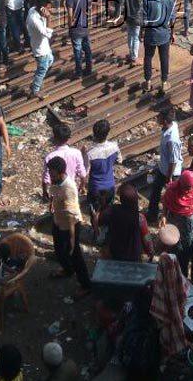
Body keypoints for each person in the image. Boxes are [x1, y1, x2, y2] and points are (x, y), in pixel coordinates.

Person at [47, 155, 91, 293]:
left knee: (75, 254)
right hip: (59, 221)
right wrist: (52, 204)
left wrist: (72, 240)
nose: (50, 176)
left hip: (70, 226)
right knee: (59, 250)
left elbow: (72, 217)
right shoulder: (56, 182)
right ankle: (67, 270)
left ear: (61, 173)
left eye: (52, 173)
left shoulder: (69, 188)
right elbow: (54, 194)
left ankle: (86, 285)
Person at [160, 169, 193, 275]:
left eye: (192, 187)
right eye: (187, 187)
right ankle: (182, 279)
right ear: (181, 184)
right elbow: (166, 201)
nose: (189, 190)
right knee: (181, 256)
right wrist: (164, 216)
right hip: (180, 231)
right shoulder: (172, 190)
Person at [99, 182, 153, 263]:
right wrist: (150, 250)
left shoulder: (112, 211)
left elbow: (100, 220)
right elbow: (147, 237)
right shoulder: (140, 218)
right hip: (133, 256)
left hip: (115, 253)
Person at [84, 118, 122, 230]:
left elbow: (85, 171)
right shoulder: (114, 146)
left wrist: (82, 154)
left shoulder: (90, 153)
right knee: (108, 210)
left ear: (94, 134)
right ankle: (107, 231)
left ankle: (96, 233)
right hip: (110, 185)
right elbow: (120, 160)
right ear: (107, 133)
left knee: (95, 211)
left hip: (95, 187)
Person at [142, 0, 175, 95]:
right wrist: (172, 32)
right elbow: (172, 18)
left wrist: (142, 32)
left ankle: (148, 81)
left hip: (150, 33)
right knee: (164, 58)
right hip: (164, 34)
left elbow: (144, 19)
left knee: (148, 57)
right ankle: (164, 82)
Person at [149, 105, 182, 220]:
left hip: (170, 172)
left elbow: (174, 160)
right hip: (164, 168)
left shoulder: (172, 139)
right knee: (155, 192)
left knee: (171, 196)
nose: (157, 118)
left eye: (159, 117)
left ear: (165, 120)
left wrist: (169, 176)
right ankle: (152, 215)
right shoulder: (171, 126)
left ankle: (171, 217)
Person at [42, 122, 87, 197]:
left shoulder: (50, 157)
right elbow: (82, 174)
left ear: (54, 138)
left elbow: (46, 179)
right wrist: (82, 186)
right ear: (68, 138)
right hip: (71, 190)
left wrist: (45, 192)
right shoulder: (76, 153)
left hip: (56, 193)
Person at [66, 0, 93, 77]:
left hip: (76, 28)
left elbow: (70, 14)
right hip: (84, 25)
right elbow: (91, 1)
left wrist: (70, 26)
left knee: (77, 51)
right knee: (87, 49)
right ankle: (89, 69)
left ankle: (79, 72)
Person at [26, 0, 54, 96]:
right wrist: (49, 18)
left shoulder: (32, 9)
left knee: (50, 61)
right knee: (42, 69)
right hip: (40, 50)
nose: (50, 10)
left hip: (44, 46)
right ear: (42, 8)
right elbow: (49, 34)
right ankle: (35, 90)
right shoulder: (35, 21)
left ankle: (36, 82)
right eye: (49, 8)